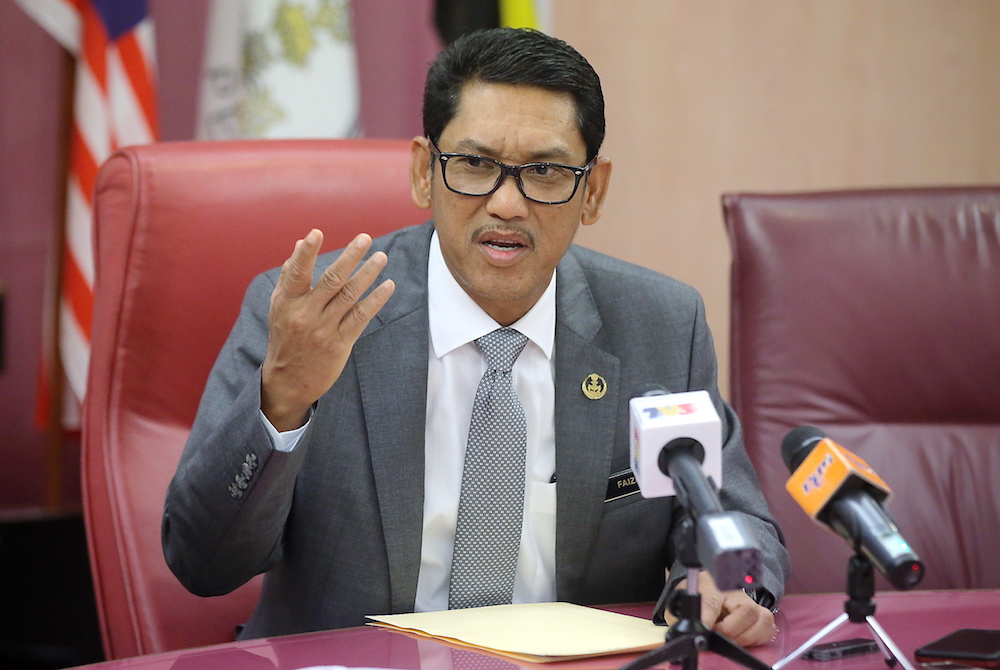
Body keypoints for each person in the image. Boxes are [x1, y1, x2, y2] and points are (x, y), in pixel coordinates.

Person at [163, 27, 789, 647]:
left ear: (592, 191)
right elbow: (202, 562)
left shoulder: (658, 323)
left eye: (543, 171)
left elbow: (735, 520)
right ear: (422, 173)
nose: (507, 205)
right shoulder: (314, 317)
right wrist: (284, 401)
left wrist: (727, 583)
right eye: (474, 165)